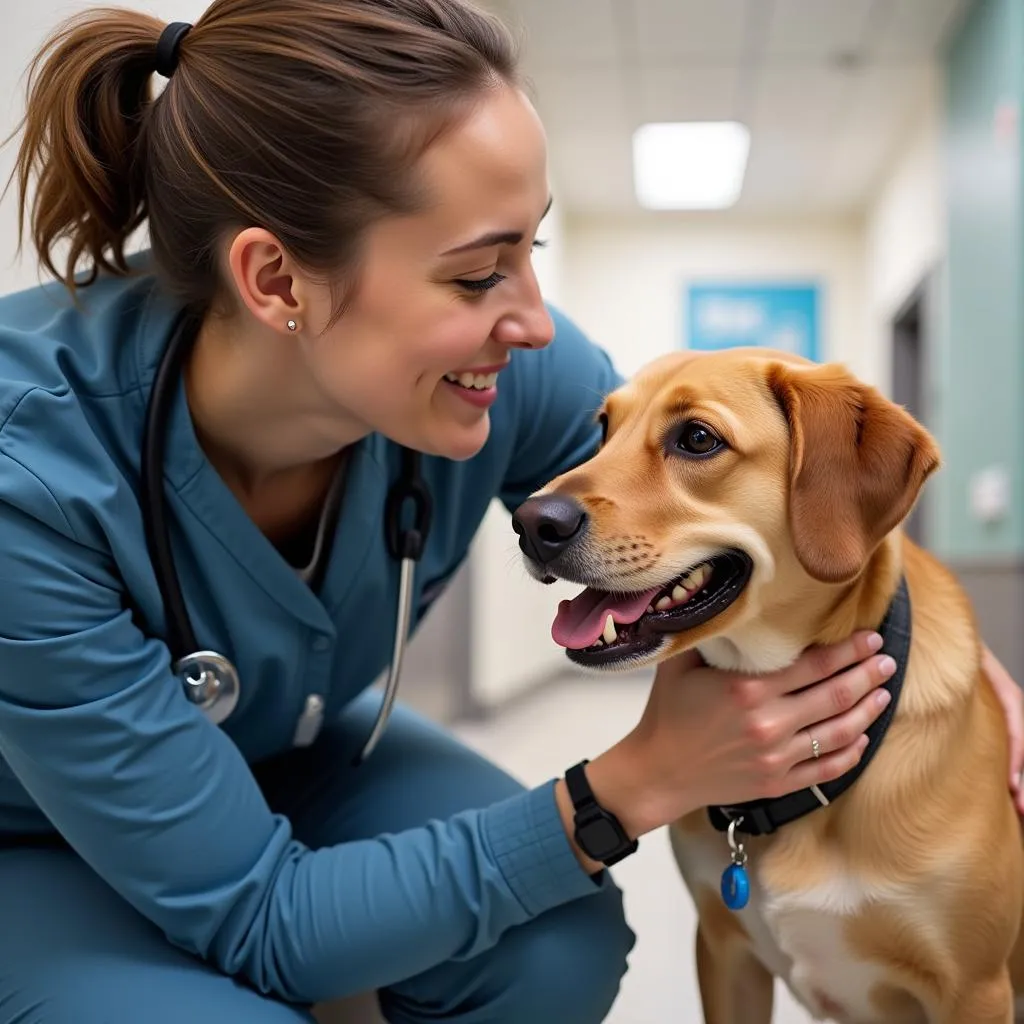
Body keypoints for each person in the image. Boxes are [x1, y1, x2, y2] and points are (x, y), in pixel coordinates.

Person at [0, 2, 1018, 1022]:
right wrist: (632, 781)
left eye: (532, 249)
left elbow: (737, 510)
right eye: (479, 271)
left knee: (553, 947)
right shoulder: (27, 471)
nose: (534, 318)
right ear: (277, 280)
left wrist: (961, 678)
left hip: (287, 747)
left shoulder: (503, 366)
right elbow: (272, 925)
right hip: (34, 834)